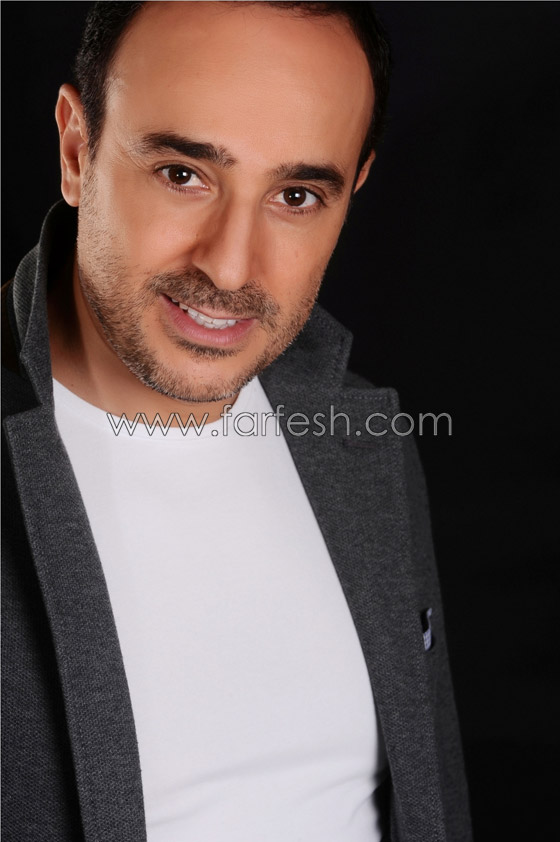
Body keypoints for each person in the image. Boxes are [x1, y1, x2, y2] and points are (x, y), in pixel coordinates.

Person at [2, 2, 472, 840]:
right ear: (77, 150)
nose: (228, 266)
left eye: (296, 195)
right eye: (183, 174)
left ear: (353, 190)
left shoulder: (364, 436)